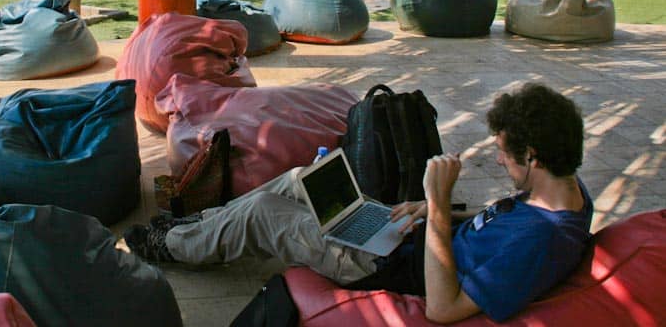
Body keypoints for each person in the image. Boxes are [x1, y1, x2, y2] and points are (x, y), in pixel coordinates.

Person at [124, 82, 594, 323]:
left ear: (532, 156)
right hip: (405, 237)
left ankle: (174, 244)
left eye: (504, 151)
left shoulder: (539, 241)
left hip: (386, 266)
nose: (497, 157)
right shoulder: (566, 193)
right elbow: (495, 224)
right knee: (298, 178)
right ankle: (197, 229)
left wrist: (434, 205)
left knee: (265, 214)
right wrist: (437, 212)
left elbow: (443, 309)